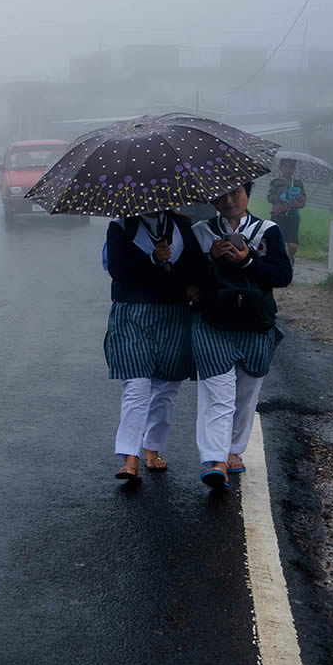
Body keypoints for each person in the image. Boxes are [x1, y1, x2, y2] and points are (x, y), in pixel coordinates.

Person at [191, 184, 292, 489]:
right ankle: (216, 460)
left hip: (255, 322)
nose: (229, 200)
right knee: (217, 393)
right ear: (211, 198)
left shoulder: (268, 231)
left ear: (248, 194)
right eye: (221, 194)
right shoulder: (201, 232)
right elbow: (187, 276)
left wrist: (247, 260)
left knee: (246, 393)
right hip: (213, 322)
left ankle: (234, 449)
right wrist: (211, 258)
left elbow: (282, 276)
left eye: (236, 193)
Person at [103, 211, 205, 482]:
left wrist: (192, 286)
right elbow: (118, 270)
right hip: (132, 312)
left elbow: (194, 264)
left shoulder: (182, 224)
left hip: (174, 313)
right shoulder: (121, 227)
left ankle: (152, 448)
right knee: (136, 385)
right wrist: (152, 259)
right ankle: (129, 457)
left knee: (166, 388)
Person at [266, 159, 306, 261]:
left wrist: (299, 203)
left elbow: (303, 201)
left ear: (294, 169)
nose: (288, 170)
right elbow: (269, 198)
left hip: (293, 217)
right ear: (280, 168)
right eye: (285, 167)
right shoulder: (275, 182)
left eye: (291, 167)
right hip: (278, 216)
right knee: (279, 241)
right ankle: (281, 261)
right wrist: (280, 197)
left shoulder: (298, 183)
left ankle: (290, 256)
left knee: (293, 245)